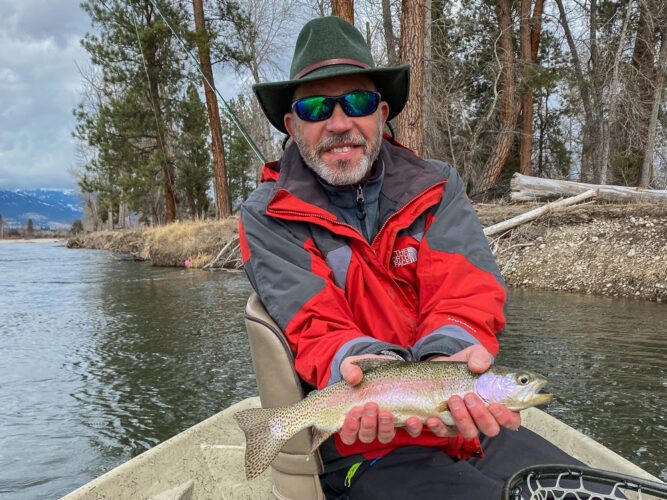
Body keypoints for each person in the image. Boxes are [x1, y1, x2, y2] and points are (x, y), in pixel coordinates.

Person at [239, 16, 581, 499]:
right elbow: (313, 322)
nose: (339, 123)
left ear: (381, 113)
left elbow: (465, 292)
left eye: (356, 102)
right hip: (362, 442)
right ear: (293, 125)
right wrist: (358, 364)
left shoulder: (438, 187)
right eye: (316, 107)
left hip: (467, 427)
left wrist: (446, 356)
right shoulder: (268, 214)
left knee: (577, 491)